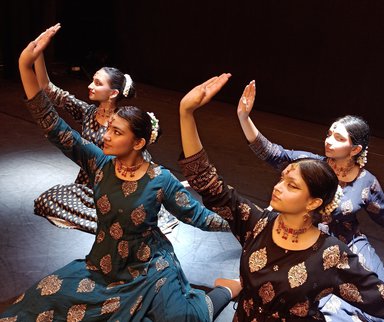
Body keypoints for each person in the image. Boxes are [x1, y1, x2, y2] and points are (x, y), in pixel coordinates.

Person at [0, 25, 232, 321]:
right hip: (104, 266)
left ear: (138, 142)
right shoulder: (99, 163)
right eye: (108, 130)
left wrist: (243, 221)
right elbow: (53, 125)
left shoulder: (160, 180)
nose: (106, 136)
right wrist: (24, 65)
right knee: (43, 300)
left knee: (185, 317)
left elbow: (200, 217)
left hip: (150, 269)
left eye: (116, 132)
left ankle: (226, 290)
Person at [177, 73, 384, 321]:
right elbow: (209, 183)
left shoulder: (331, 254)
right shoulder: (259, 223)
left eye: (292, 185)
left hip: (348, 243)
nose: (277, 187)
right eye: (282, 179)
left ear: (313, 202)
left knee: (377, 303)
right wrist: (186, 114)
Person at [33, 24, 178, 234]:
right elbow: (48, 89)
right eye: (92, 81)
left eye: (97, 83)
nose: (91, 86)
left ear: (112, 93)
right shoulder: (88, 112)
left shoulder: (124, 122)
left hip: (118, 187)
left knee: (130, 211)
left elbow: (141, 157)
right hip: (89, 186)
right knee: (48, 199)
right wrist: (38, 53)